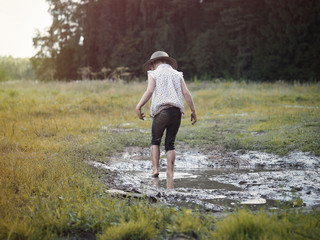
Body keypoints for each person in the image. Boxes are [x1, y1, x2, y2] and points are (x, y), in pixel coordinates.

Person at [136, 51, 197, 180]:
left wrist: (138, 106)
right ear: (167, 61)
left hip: (162, 112)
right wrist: (193, 111)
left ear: (153, 63)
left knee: (155, 141)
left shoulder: (154, 73)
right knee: (170, 143)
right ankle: (170, 173)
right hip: (176, 112)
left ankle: (155, 170)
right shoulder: (177, 74)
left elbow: (150, 90)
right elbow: (186, 93)